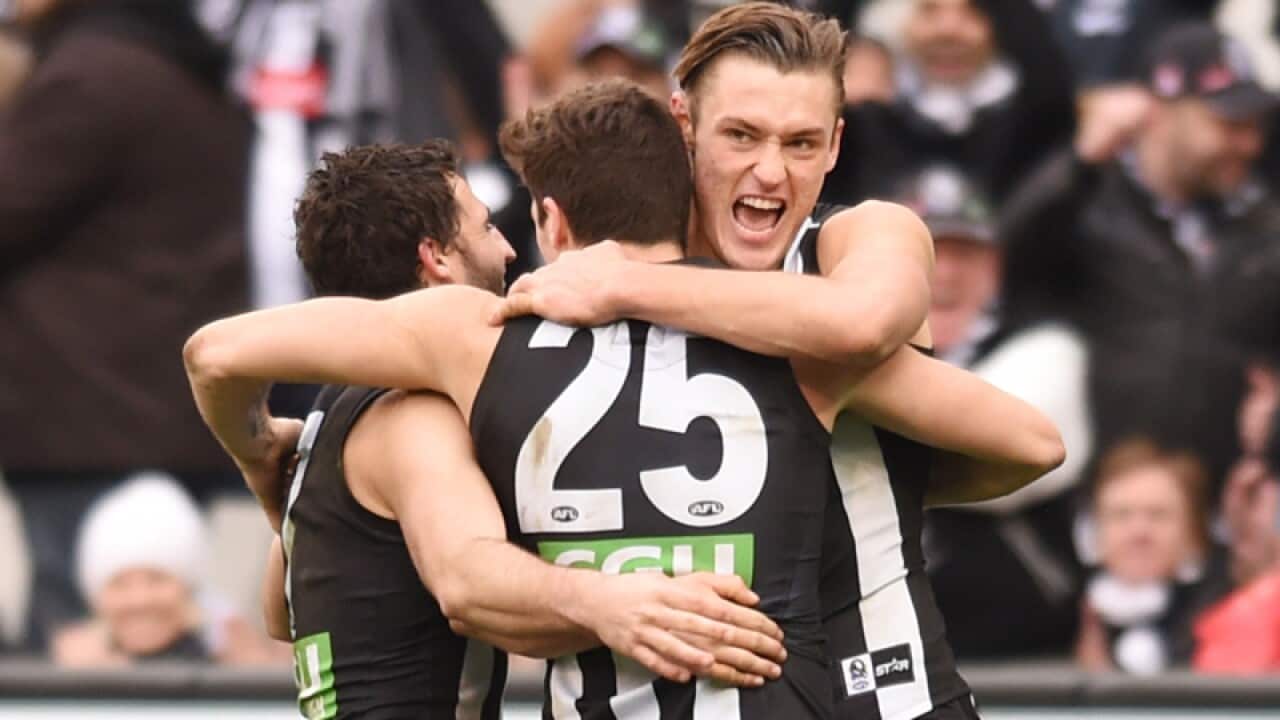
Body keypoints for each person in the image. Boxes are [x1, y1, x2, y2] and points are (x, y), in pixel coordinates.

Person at [185, 79, 1063, 718]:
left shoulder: (472, 348)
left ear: (555, 218)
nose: (515, 252)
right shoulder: (797, 341)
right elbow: (1031, 443)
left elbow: (220, 359)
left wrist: (271, 472)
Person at [493, 4, 1009, 718]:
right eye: (741, 135)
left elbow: (863, 324)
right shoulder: (598, 274)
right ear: (683, 123)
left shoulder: (860, 238)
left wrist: (627, 287)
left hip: (895, 699)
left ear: (835, 145)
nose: (770, 172)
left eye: (801, 143)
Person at [192, 140, 788, 719]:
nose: (508, 248)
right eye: (484, 227)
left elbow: (282, 613)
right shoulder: (414, 413)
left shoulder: (335, 414)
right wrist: (615, 602)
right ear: (436, 258)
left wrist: (265, 465)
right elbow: (464, 582)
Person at [0, 0, 250, 652]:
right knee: (159, 643)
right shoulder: (173, 67)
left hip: (86, 426)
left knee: (84, 651)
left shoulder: (89, 78)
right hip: (149, 414)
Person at [1001, 21, 1280, 487]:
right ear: (1160, 111)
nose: (1249, 144)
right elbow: (1005, 262)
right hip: (1099, 493)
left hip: (1223, 500)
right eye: (1230, 124)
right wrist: (1080, 162)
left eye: (1256, 127)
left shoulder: (1266, 223)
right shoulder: (1088, 205)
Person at [883, 165, 1093, 659]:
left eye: (967, 254)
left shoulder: (1048, 346)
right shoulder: (848, 352)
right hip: (884, 657)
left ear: (995, 267)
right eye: (930, 254)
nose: (948, 274)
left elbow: (1002, 456)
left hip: (1025, 657)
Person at [822, 0, 1077, 206]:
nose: (948, 31)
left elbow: (1051, 77)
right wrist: (835, 93)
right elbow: (817, 32)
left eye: (972, 12)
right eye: (929, 11)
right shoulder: (862, 122)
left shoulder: (1033, 120)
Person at [54, 474, 281, 667]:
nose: (140, 600)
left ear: (188, 588)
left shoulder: (235, 658)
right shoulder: (64, 675)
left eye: (157, 579)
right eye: (119, 583)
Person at [1074, 440, 1231, 675]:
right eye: (1121, 515)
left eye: (1158, 515)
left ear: (1193, 531)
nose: (1139, 532)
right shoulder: (1065, 612)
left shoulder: (1224, 606)